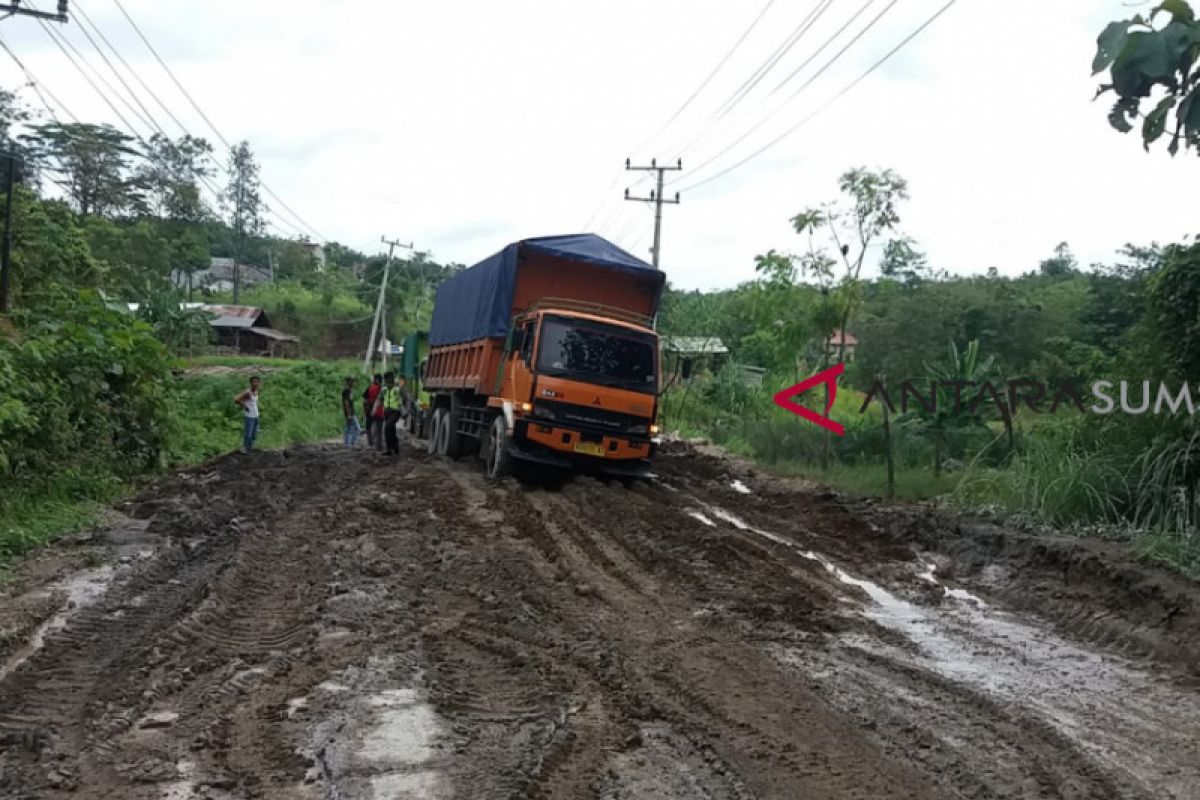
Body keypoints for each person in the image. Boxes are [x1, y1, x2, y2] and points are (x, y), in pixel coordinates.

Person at [234, 375, 261, 454]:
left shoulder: (256, 391)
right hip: (250, 416)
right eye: (254, 382)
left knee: (254, 434)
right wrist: (245, 406)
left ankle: (250, 448)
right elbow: (236, 399)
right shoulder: (247, 392)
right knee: (248, 434)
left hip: (256, 415)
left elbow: (254, 402)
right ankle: (245, 449)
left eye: (257, 382)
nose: (255, 383)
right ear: (250, 383)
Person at [381, 372, 403, 456]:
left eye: (389, 379)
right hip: (387, 412)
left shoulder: (398, 389)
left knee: (387, 427)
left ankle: (390, 449)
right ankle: (394, 449)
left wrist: (405, 410)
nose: (388, 381)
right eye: (386, 380)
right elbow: (380, 399)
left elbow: (406, 398)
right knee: (391, 430)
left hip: (395, 412)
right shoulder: (384, 389)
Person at [363, 373, 383, 449]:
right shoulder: (383, 389)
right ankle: (379, 446)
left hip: (369, 411)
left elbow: (364, 401)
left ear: (375, 379)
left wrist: (365, 410)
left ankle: (370, 443)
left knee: (368, 428)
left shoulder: (369, 388)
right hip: (379, 412)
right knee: (379, 430)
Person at [341, 376, 361, 447]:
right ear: (348, 382)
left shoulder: (349, 390)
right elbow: (346, 402)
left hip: (350, 412)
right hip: (350, 413)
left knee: (350, 427)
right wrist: (349, 413)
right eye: (352, 381)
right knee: (357, 428)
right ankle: (351, 443)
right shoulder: (347, 391)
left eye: (354, 381)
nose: (353, 383)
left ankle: (348, 443)